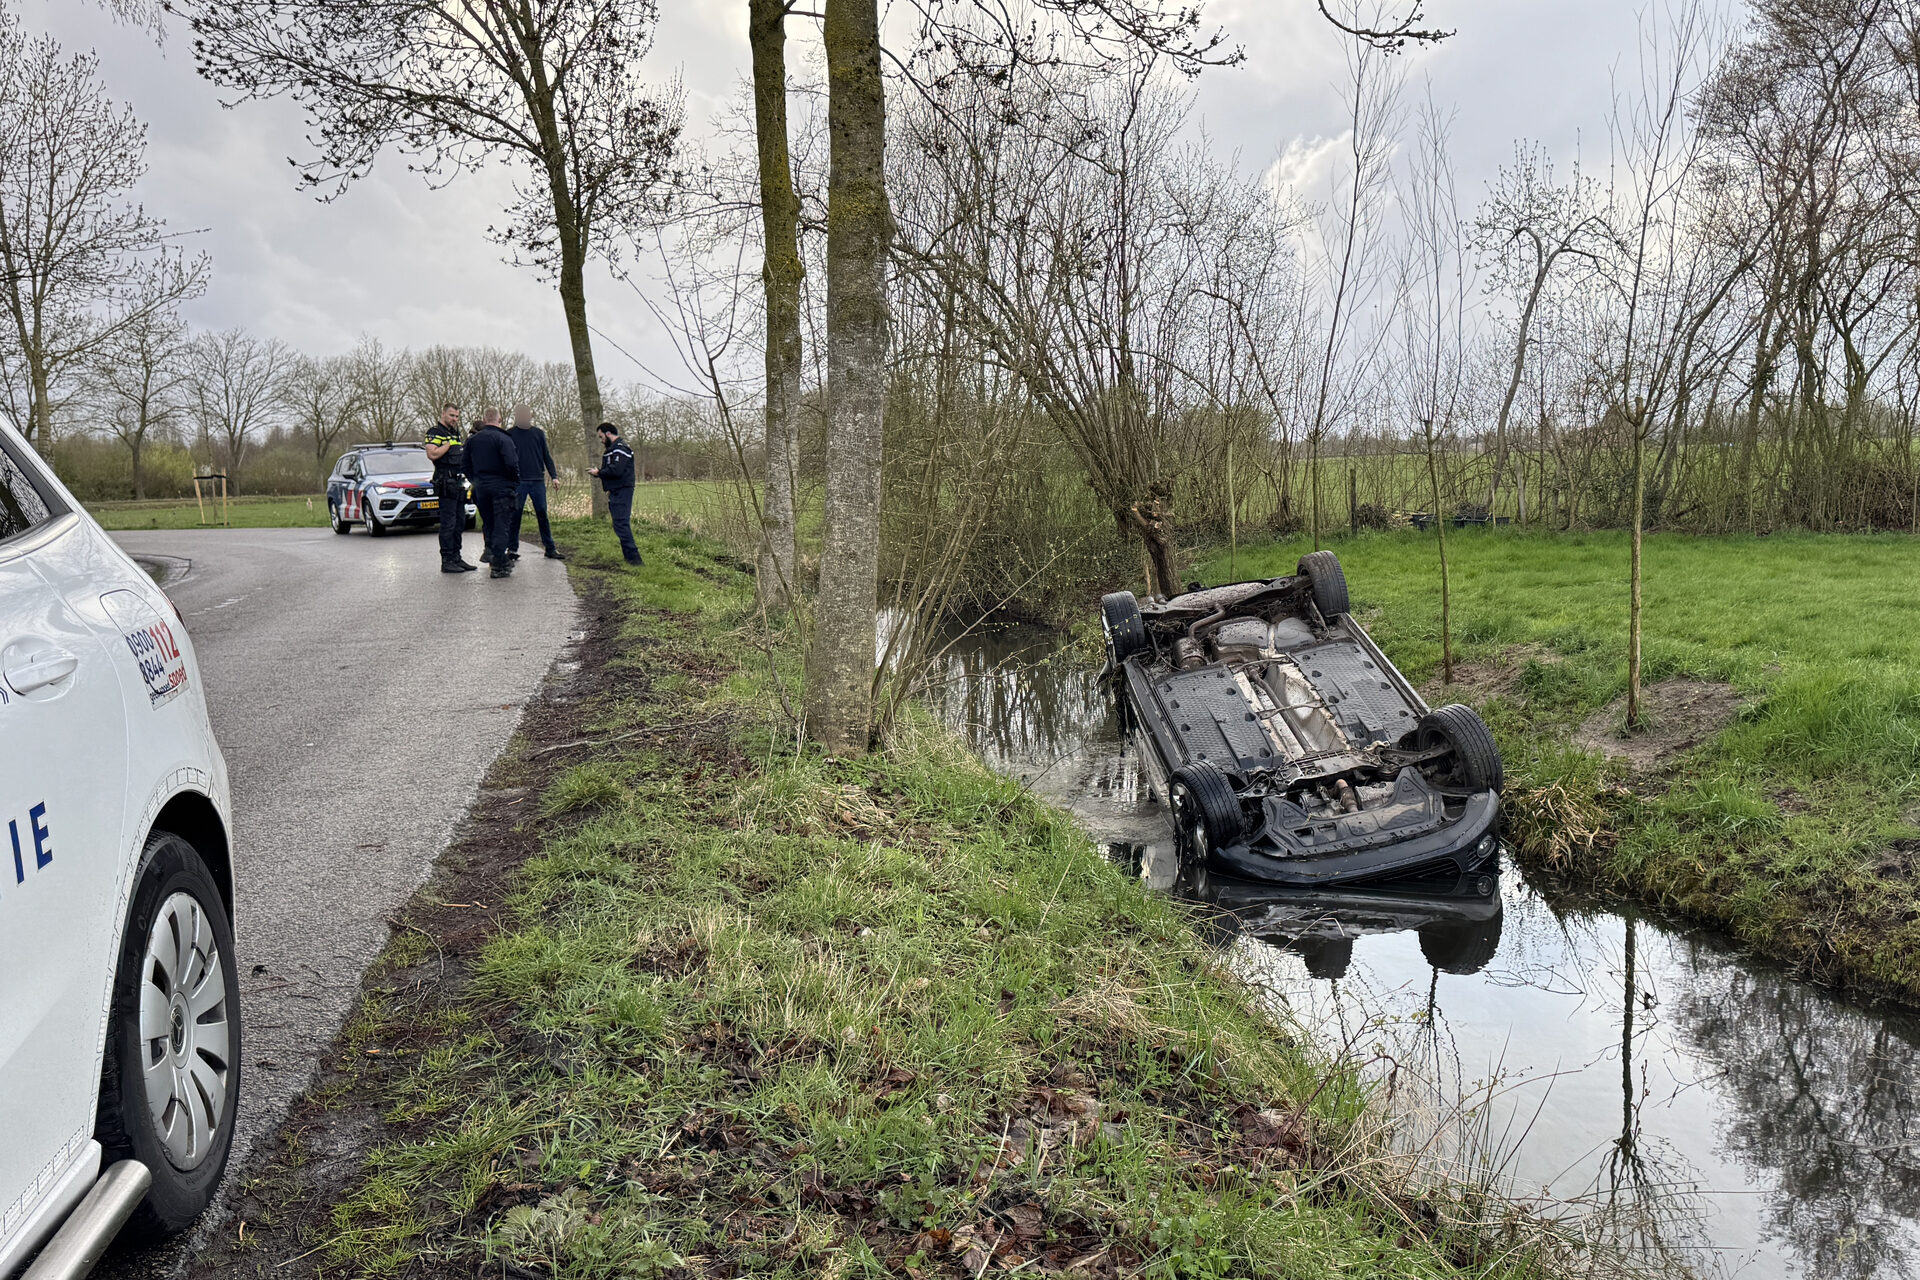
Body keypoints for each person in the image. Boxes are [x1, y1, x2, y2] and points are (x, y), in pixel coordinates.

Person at [465, 407, 521, 578]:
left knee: (489, 523)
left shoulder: (472, 441)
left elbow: (465, 464)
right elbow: (511, 463)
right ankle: (499, 563)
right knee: (501, 524)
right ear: (500, 419)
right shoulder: (503, 438)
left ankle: (490, 551)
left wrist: (476, 480)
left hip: (481, 488)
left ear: (484, 418)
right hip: (501, 487)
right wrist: (513, 481)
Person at [506, 404, 563, 561]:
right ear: (516, 417)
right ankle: (512, 549)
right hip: (518, 482)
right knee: (515, 515)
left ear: (530, 416)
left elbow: (547, 456)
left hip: (537, 480)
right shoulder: (509, 434)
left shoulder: (538, 434)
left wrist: (554, 476)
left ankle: (550, 548)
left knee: (542, 514)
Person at [424, 403, 474, 573]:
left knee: (460, 522)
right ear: (443, 414)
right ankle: (446, 561)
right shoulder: (435, 432)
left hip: (458, 482)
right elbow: (432, 454)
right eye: (452, 415)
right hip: (445, 482)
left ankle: (456, 557)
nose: (454, 419)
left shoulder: (455, 432)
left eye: (457, 416)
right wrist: (449, 446)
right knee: (448, 523)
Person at [589, 421, 642, 566]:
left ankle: (635, 560)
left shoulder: (620, 448)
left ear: (608, 433)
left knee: (621, 524)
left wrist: (599, 472)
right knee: (619, 524)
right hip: (616, 491)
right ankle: (629, 558)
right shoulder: (613, 449)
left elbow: (616, 470)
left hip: (622, 490)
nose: (601, 441)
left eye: (601, 437)